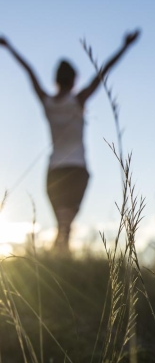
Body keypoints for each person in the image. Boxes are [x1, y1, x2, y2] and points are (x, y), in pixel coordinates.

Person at [0, 30, 140, 252]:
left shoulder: (47, 102)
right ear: (74, 79)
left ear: (55, 79)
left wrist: (8, 47)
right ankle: (60, 259)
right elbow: (102, 72)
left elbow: (29, 71)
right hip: (77, 170)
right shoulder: (79, 99)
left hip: (54, 170)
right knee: (65, 226)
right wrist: (125, 46)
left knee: (63, 225)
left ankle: (57, 258)